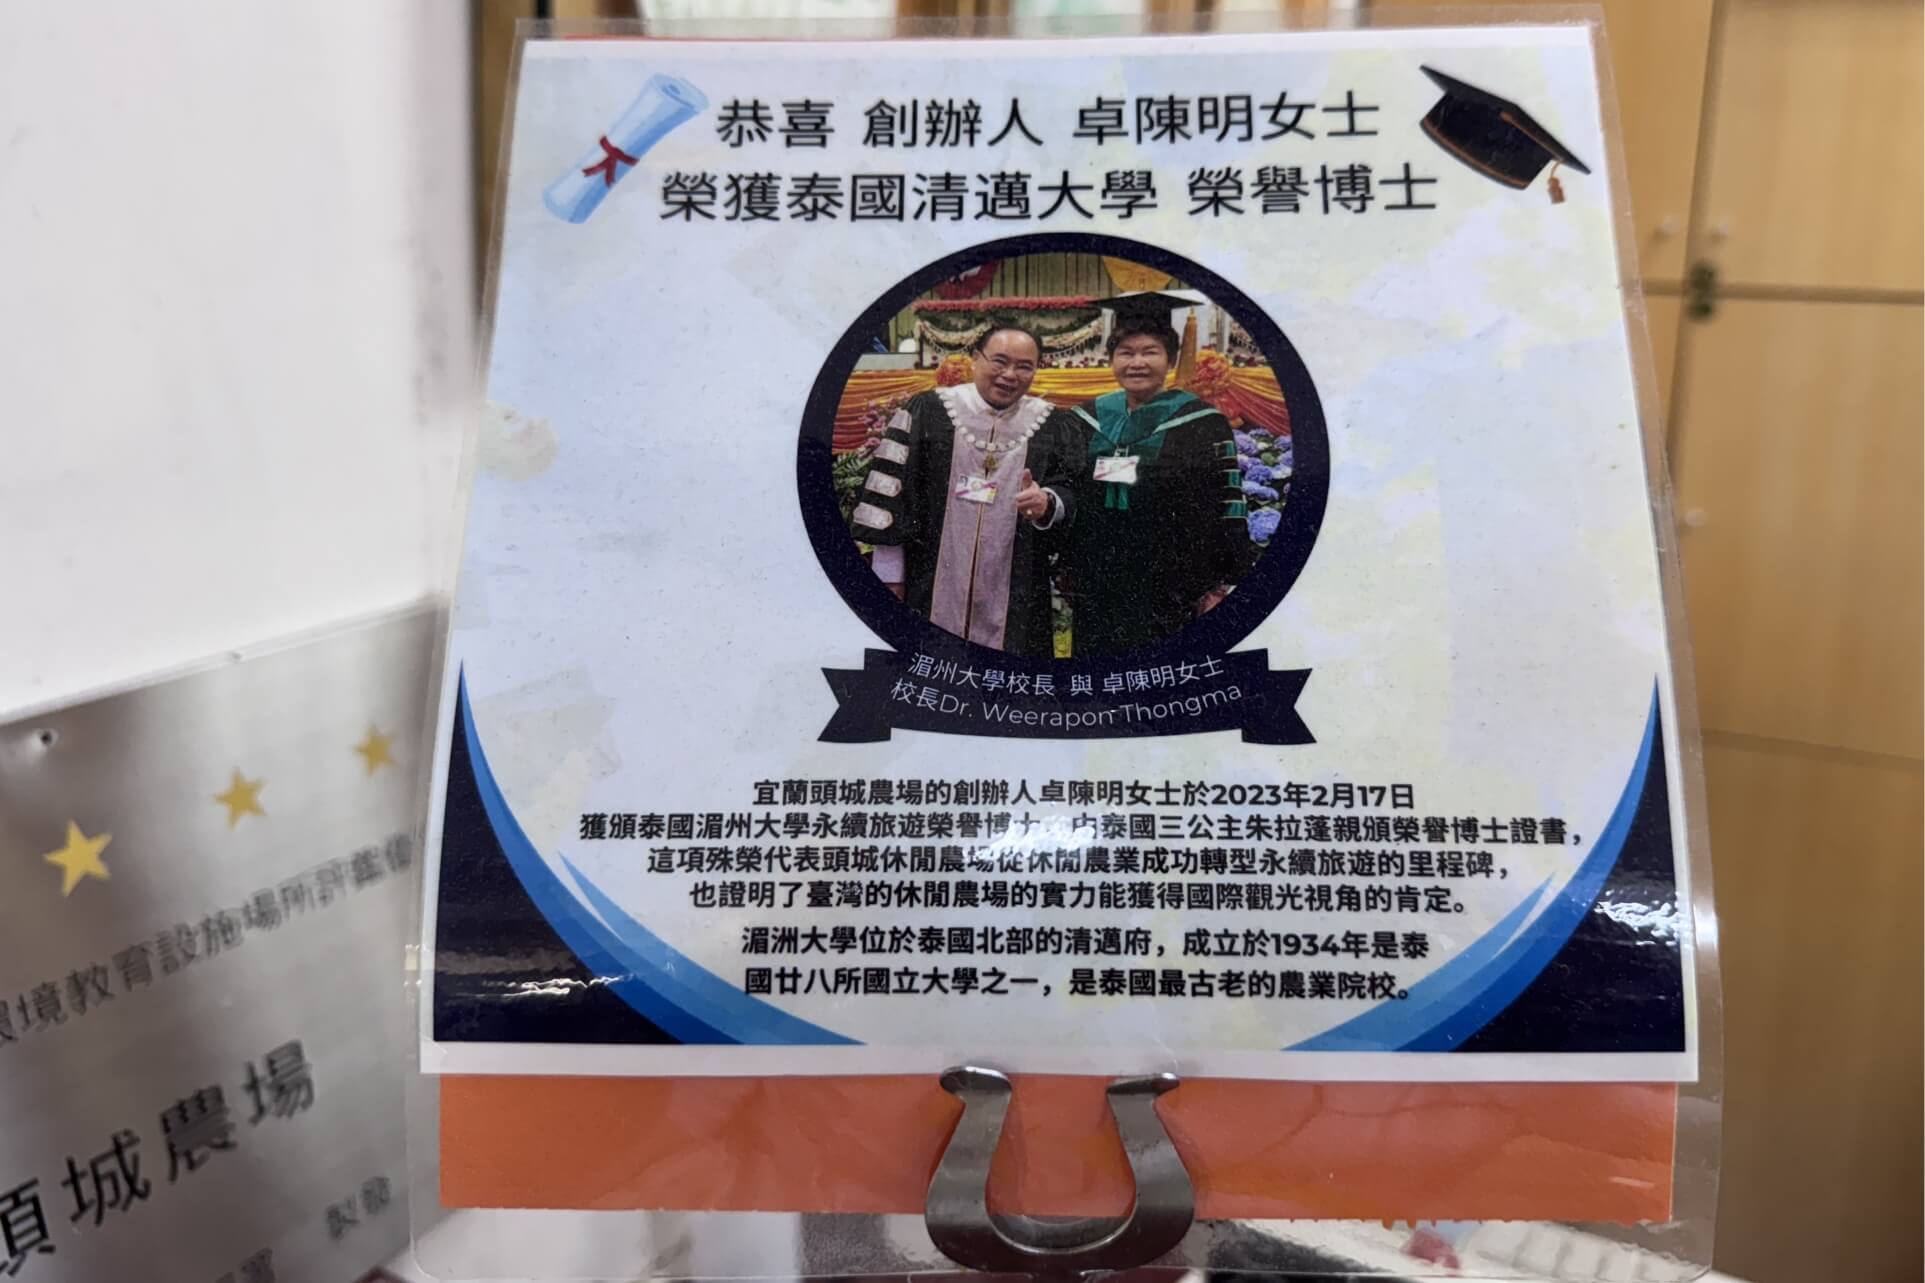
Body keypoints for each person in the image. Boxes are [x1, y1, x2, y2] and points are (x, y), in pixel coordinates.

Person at [849, 322, 1081, 657]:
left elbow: (1069, 490)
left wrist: (1048, 502)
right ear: (975, 358)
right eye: (999, 361)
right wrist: (889, 575)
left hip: (1015, 592)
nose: (1009, 375)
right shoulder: (928, 411)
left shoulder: (1051, 425)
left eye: (1024, 366)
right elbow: (890, 499)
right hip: (928, 583)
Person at [1066, 293, 1252, 657]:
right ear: (1112, 359)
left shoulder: (1203, 423)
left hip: (1173, 579)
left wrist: (1222, 581)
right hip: (1097, 576)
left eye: (1149, 352)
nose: (1137, 363)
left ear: (1170, 359)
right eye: (1126, 353)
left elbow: (1227, 503)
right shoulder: (1085, 419)